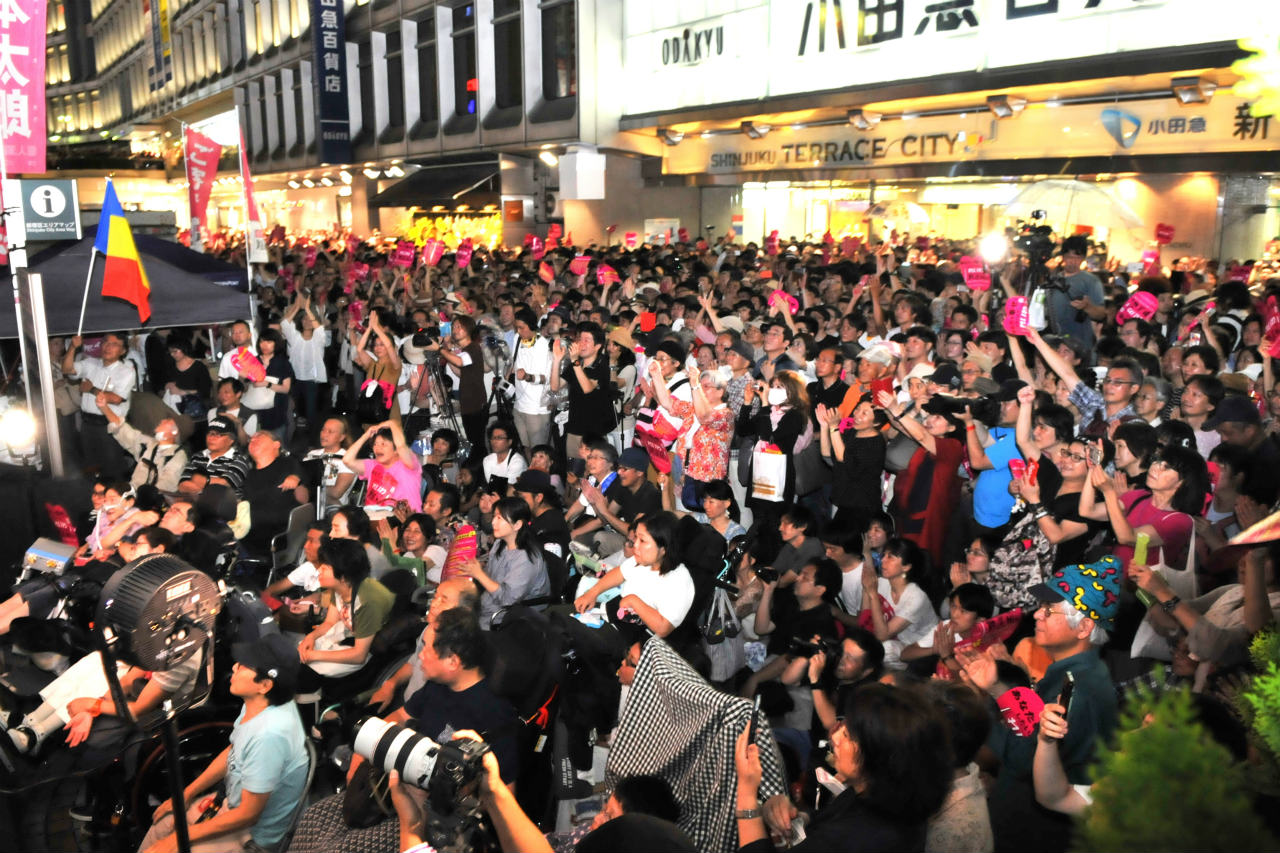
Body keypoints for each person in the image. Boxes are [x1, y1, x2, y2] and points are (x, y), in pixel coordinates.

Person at [960, 560, 1121, 853]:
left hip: (1032, 833)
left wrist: (981, 701)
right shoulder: (1074, 674)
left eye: (1049, 610)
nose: (1037, 615)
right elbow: (1031, 731)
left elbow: (1022, 760)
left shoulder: (1078, 689)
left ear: (1084, 626)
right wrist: (997, 688)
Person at [138, 635, 309, 853]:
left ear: (264, 685)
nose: (235, 666)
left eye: (245, 666)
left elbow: (249, 814)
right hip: (234, 803)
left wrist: (180, 838)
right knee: (160, 827)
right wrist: (186, 794)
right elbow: (234, 752)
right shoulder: (257, 704)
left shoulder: (270, 734)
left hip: (254, 834)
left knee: (170, 844)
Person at [735, 682, 953, 853]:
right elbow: (830, 819)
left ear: (877, 758)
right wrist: (799, 819)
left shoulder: (853, 838)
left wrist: (746, 792)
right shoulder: (891, 795)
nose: (836, 736)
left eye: (848, 735)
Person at [573, 511, 696, 638]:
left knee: (563, 628)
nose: (636, 545)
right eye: (636, 538)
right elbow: (620, 573)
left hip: (634, 638)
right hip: (612, 613)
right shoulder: (642, 560)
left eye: (642, 540)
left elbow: (663, 628)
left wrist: (633, 600)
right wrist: (592, 593)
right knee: (559, 617)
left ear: (664, 548)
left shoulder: (679, 580)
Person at [882, 394, 966, 568]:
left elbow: (919, 435)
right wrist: (888, 409)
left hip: (928, 521)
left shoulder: (952, 446)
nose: (929, 420)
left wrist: (896, 409)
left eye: (937, 418)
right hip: (909, 514)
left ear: (951, 427)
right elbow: (903, 427)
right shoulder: (930, 443)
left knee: (920, 564)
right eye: (929, 416)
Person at [296, 537, 394, 686]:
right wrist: (311, 637)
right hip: (349, 631)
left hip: (365, 646)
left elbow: (359, 655)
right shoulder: (342, 586)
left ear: (343, 576)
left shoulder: (368, 602)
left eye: (325, 567)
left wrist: (314, 655)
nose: (319, 570)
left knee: (310, 669)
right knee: (302, 651)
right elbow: (329, 622)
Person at [458, 496, 551, 626]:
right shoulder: (500, 543)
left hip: (511, 614)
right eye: (494, 516)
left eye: (500, 518)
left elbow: (508, 599)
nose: (493, 522)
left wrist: (479, 574)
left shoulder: (526, 559)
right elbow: (492, 575)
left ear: (517, 525)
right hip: (490, 602)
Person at [63, 331, 136, 479]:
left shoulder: (126, 371)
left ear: (123, 351)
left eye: (114, 344)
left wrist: (91, 389)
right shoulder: (90, 363)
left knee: (112, 468)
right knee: (90, 468)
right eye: (105, 343)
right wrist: (72, 347)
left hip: (109, 426)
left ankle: (115, 496)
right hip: (87, 424)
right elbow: (67, 369)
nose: (108, 347)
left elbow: (116, 398)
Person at [861, 537, 939, 670]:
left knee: (884, 650)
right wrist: (867, 590)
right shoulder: (882, 584)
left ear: (906, 567)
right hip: (900, 641)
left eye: (891, 557)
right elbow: (864, 620)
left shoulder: (916, 597)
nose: (883, 560)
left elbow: (882, 635)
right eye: (883, 555)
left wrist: (873, 594)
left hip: (922, 645)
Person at [96, 390, 188, 492]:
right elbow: (122, 429)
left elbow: (165, 487)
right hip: (132, 493)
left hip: (150, 502)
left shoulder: (178, 456)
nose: (162, 421)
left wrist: (140, 499)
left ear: (174, 431)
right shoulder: (149, 444)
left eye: (167, 421)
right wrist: (104, 408)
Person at [553, 321, 618, 461]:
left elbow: (587, 389)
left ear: (597, 346)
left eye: (586, 340)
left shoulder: (602, 366)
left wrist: (575, 361)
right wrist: (557, 360)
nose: (581, 343)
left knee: (591, 475)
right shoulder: (576, 365)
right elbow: (555, 387)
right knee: (571, 475)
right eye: (580, 339)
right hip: (574, 429)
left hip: (594, 434)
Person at [425, 314, 487, 452]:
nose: (455, 329)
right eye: (453, 327)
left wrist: (440, 349)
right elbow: (461, 371)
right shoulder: (467, 350)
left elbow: (459, 362)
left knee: (477, 443)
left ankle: (478, 470)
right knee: (473, 442)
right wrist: (446, 350)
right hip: (469, 403)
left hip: (475, 403)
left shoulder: (473, 347)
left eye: (459, 327)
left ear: (469, 329)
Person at [343, 419, 425, 513]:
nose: (378, 448)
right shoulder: (372, 465)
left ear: (395, 450)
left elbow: (401, 446)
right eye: (375, 444)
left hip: (405, 520)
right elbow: (347, 460)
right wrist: (365, 436)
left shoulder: (408, 464)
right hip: (374, 519)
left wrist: (392, 423)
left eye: (383, 444)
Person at [1044, 235, 1105, 349]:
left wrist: (1087, 307)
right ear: (1062, 256)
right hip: (1054, 341)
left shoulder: (1091, 281)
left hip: (1079, 344)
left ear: (1083, 258)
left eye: (1077, 258)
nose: (1072, 261)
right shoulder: (1053, 279)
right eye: (1069, 257)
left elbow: (1101, 313)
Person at [511, 307, 555, 449]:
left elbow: (546, 378)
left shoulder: (542, 345)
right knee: (525, 448)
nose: (518, 331)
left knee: (539, 450)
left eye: (522, 328)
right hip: (519, 404)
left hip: (536, 408)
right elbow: (514, 364)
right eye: (517, 327)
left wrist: (527, 377)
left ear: (531, 326)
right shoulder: (517, 338)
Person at [301, 416, 358, 515]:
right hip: (308, 505)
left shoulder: (348, 459)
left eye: (330, 432)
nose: (324, 434)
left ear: (341, 437)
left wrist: (309, 489)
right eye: (323, 430)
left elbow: (336, 492)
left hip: (333, 509)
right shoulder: (312, 454)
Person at [482, 421, 527, 491]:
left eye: (499, 438)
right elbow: (492, 487)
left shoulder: (517, 461)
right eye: (493, 437)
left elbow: (508, 489)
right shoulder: (487, 460)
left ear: (510, 441)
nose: (494, 441)